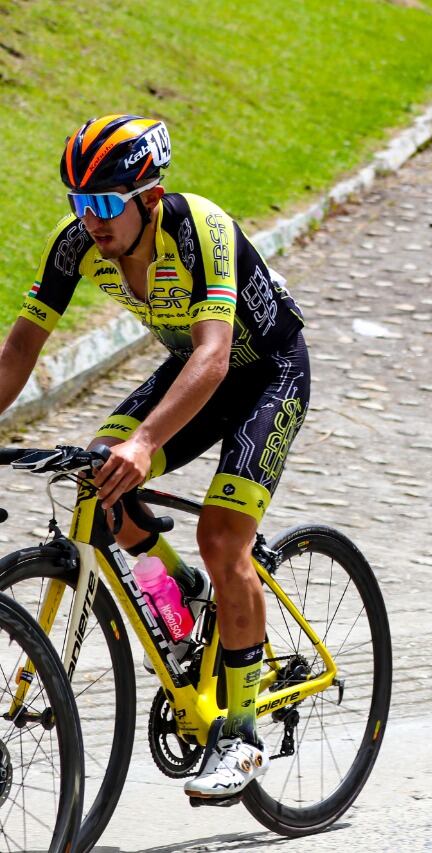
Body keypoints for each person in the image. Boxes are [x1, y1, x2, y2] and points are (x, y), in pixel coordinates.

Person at [0, 114, 309, 798]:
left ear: (147, 196)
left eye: (106, 203)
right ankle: (183, 590)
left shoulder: (198, 229)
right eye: (80, 203)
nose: (92, 221)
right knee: (96, 474)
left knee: (223, 535)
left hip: (265, 371)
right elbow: (22, 346)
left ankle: (243, 734)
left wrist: (146, 442)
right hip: (193, 368)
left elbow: (217, 353)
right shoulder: (76, 243)